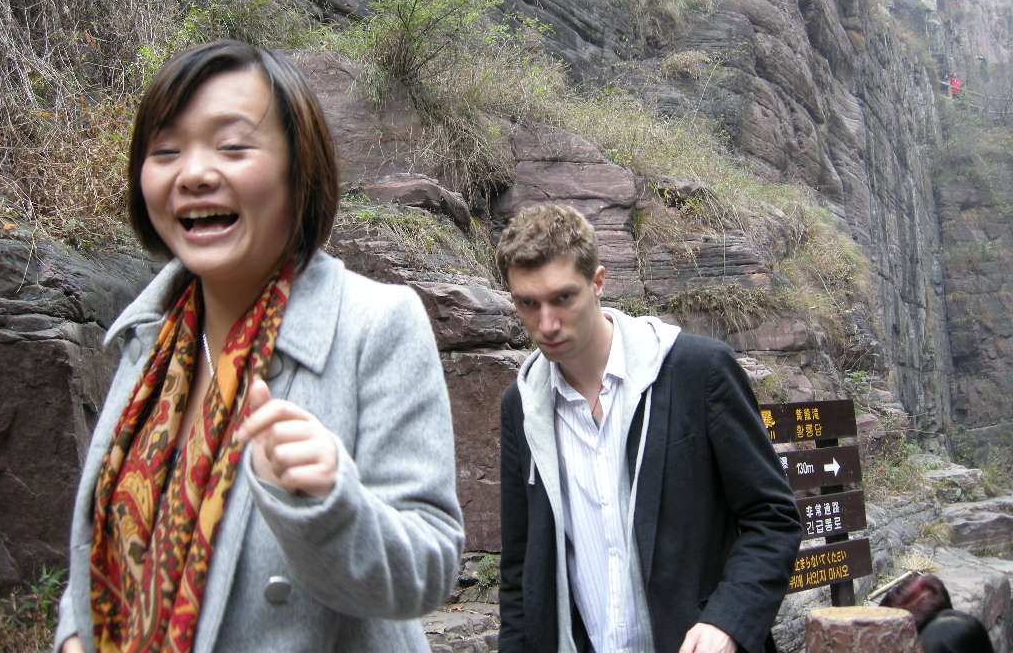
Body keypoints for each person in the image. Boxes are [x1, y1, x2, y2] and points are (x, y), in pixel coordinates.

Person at [54, 40, 464, 652]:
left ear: (301, 171)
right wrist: (72, 637)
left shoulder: (376, 324)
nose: (193, 173)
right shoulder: (151, 338)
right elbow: (102, 542)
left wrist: (329, 503)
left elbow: (428, 571)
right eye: (165, 151)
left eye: (232, 146)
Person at [495, 203, 802, 653]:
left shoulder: (697, 371)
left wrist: (728, 621)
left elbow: (772, 517)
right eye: (528, 304)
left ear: (598, 283)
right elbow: (520, 567)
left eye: (563, 298)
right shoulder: (522, 405)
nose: (546, 324)